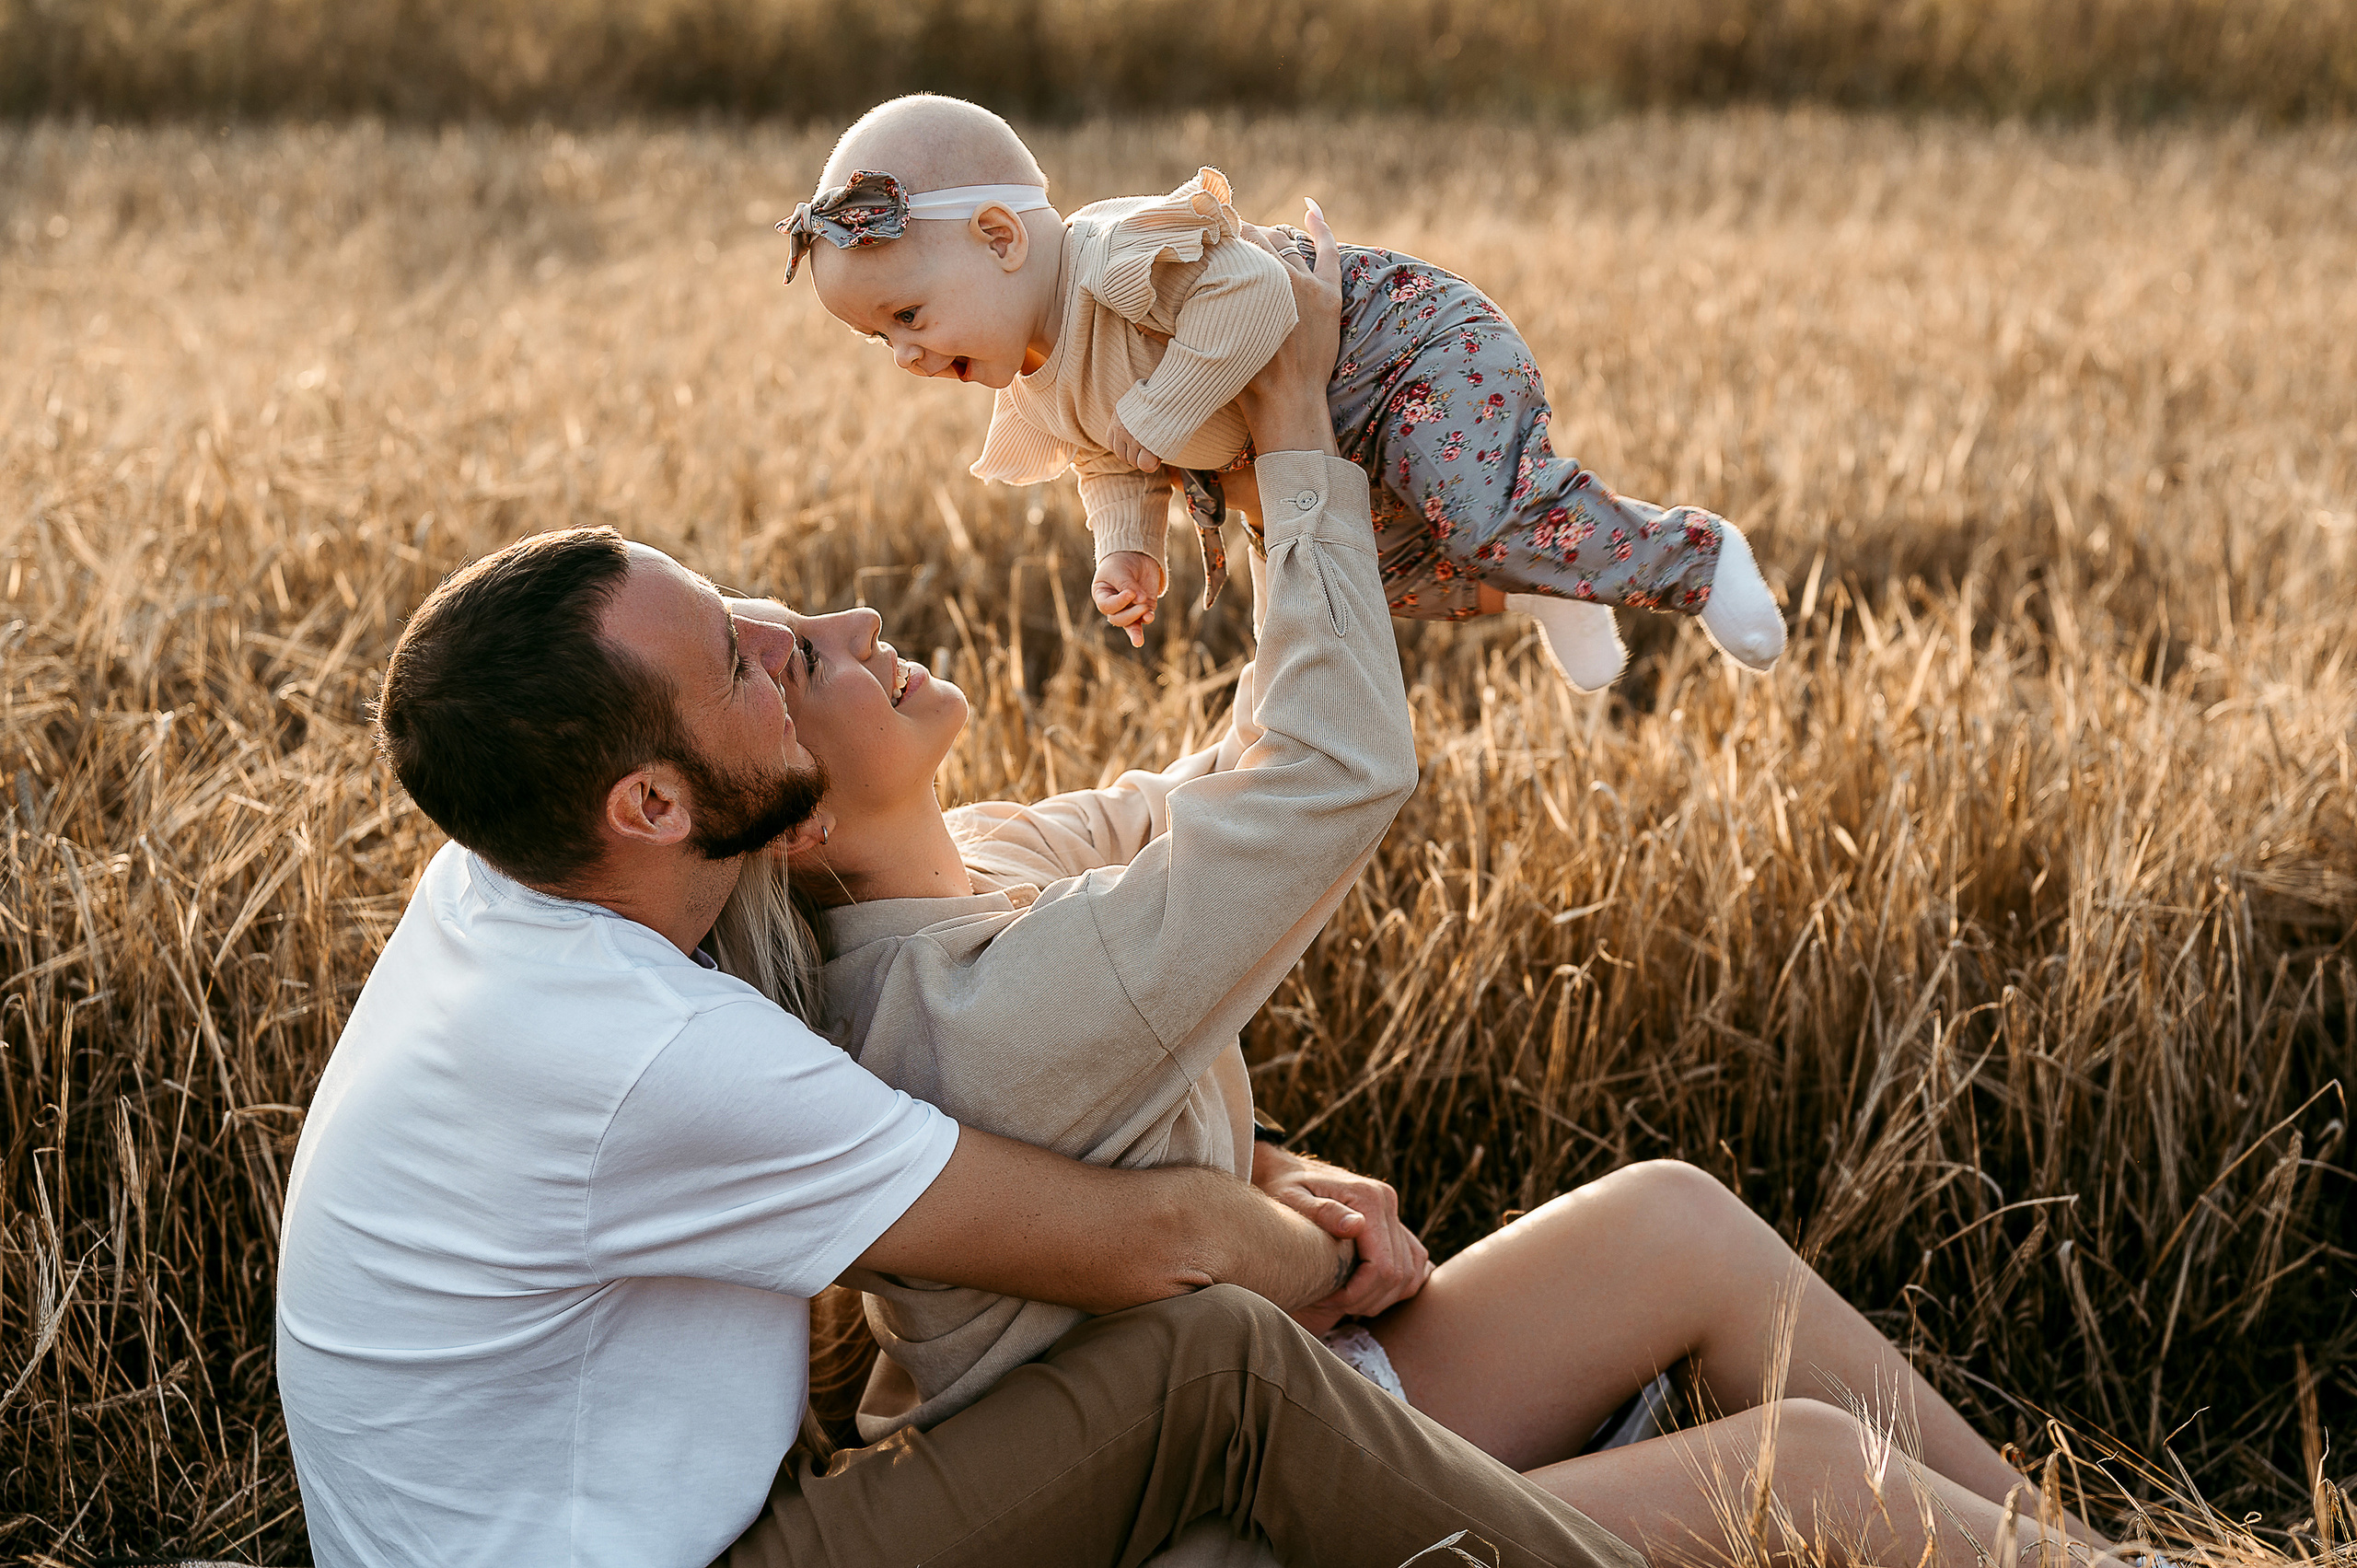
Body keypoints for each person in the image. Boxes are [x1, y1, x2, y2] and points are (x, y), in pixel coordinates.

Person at [725, 213, 2127, 1568]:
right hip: (1203, 1515)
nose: (854, 623)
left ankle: (2124, 1553)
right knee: (1808, 1463)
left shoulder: (984, 854)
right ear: (786, 828)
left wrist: (1286, 483)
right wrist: (1290, 433)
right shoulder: (964, 1008)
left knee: (1672, 1216)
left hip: (1299, 1397)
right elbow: (1330, 776)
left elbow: (1244, 763)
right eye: (798, 664)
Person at [269, 239, 1647, 1568]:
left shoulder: (528, 864)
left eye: (740, 609)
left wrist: (1267, 1164)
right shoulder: (643, 1045)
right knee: (1223, 1365)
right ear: (649, 806)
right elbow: (1160, 1249)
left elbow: (1191, 831)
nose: (809, 631)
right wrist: (1324, 1245)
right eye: (748, 666)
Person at [776, 93, 1787, 691]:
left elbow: (1256, 298)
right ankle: (1542, 583)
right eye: (878, 341)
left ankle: (1696, 557)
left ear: (1000, 239)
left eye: (907, 317)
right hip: (1316, 439)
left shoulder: (1117, 259)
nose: (903, 355)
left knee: (1476, 513)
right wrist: (1125, 547)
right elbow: (1107, 459)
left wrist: (1159, 419)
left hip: (1402, 351)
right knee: (1373, 580)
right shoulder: (1038, 378)